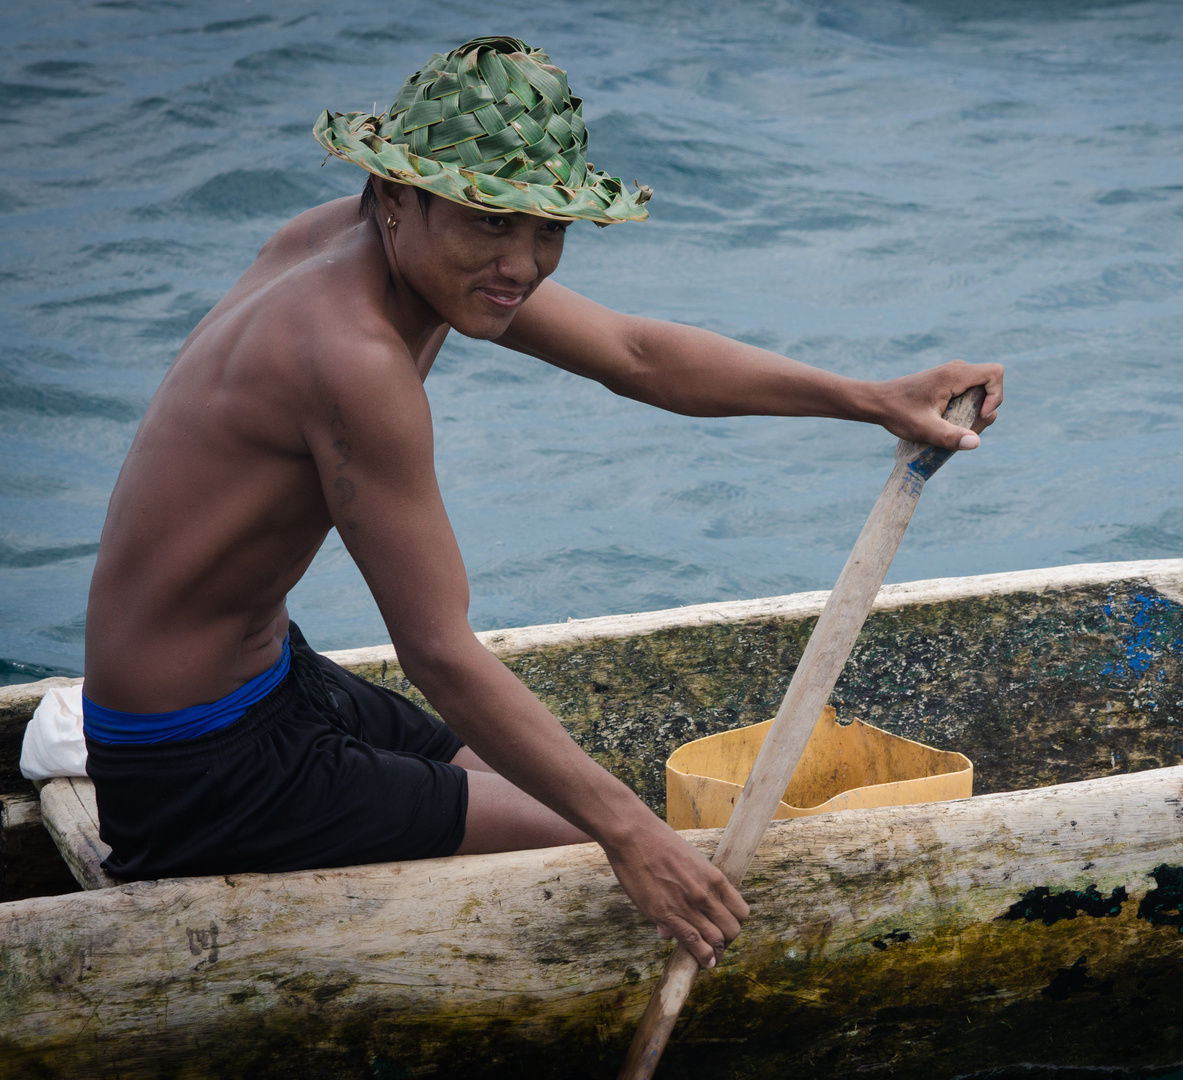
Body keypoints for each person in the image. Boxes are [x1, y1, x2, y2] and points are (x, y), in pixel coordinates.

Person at [79, 36, 1001, 970]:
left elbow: (636, 355)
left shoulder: (353, 240)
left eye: (546, 228)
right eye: (490, 221)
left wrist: (871, 398)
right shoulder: (353, 360)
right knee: (595, 852)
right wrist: (633, 839)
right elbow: (437, 649)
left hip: (275, 683)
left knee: (552, 796)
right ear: (397, 197)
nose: (522, 264)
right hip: (195, 766)